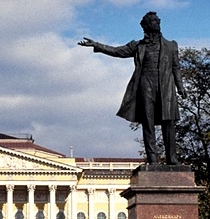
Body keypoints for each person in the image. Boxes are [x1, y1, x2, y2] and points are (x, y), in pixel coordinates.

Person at [78, 11, 185, 164]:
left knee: (169, 123)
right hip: (145, 84)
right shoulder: (138, 46)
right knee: (148, 122)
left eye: (157, 20)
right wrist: (97, 45)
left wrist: (180, 86)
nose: (157, 23)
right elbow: (117, 51)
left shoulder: (171, 45)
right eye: (153, 21)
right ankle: (153, 159)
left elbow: (176, 67)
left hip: (166, 87)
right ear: (146, 25)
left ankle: (172, 158)